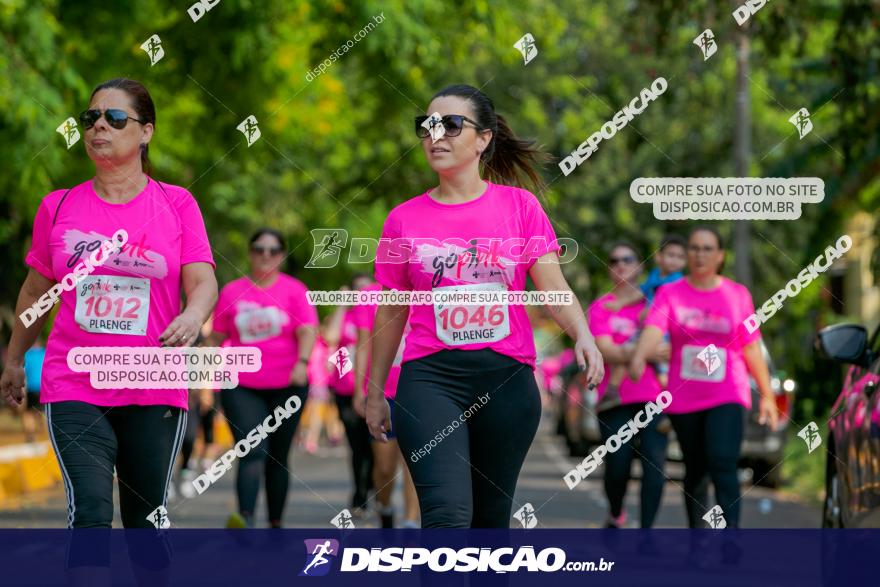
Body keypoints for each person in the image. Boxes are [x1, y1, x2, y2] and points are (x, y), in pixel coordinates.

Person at [364, 84, 604, 528]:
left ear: (483, 138)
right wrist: (376, 391)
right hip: (431, 379)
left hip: (505, 382)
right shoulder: (403, 219)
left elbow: (553, 287)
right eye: (427, 126)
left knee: (490, 522)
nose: (436, 135)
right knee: (447, 515)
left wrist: (583, 334)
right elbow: (391, 310)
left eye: (450, 125)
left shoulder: (520, 207)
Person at [0, 78, 217, 533]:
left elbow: (203, 282)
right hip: (75, 381)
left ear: (145, 132)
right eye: (91, 118)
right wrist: (16, 359)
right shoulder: (58, 207)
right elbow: (35, 293)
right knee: (92, 513)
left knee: (145, 525)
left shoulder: (177, 204)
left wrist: (193, 315)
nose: (99, 126)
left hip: (152, 384)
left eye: (115, 118)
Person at [629, 226, 779, 528]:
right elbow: (653, 331)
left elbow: (751, 347)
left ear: (720, 256)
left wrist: (767, 395)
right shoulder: (670, 293)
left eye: (707, 248)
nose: (700, 254)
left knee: (723, 463)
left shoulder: (737, 295)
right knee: (695, 469)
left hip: (728, 391)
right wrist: (638, 356)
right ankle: (697, 540)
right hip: (685, 396)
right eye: (694, 248)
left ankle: (731, 536)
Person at [208, 228, 317, 528]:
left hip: (288, 385)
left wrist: (303, 362)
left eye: (272, 250)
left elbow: (307, 330)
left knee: (278, 457)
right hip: (242, 385)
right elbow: (216, 337)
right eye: (259, 249)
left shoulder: (295, 291)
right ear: (250, 253)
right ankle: (244, 520)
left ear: (281, 255)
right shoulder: (232, 292)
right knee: (251, 449)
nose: (265, 255)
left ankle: (276, 523)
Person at [588, 242, 669, 528]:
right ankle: (616, 512)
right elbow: (605, 350)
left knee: (654, 468)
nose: (620, 264)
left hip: (655, 398)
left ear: (640, 266)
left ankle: (647, 532)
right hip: (614, 399)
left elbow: (670, 348)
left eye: (627, 259)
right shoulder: (601, 307)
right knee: (617, 467)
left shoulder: (658, 302)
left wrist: (631, 351)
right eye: (614, 260)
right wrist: (645, 351)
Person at [351, 280, 420, 528]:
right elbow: (363, 345)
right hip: (383, 392)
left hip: (419, 388)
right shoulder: (368, 296)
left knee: (416, 460)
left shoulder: (427, 289)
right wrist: (361, 389)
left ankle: (411, 522)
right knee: (384, 466)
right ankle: (386, 506)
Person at [326, 277, 374, 518]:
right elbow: (331, 337)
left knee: (375, 446)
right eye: (357, 290)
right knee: (358, 447)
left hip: (375, 390)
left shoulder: (380, 314)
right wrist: (341, 305)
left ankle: (373, 486)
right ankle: (360, 495)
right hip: (345, 390)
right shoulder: (346, 318)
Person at [22, 338, 47, 442]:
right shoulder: (46, 353)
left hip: (32, 388)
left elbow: (23, 373)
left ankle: (31, 436)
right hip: (45, 388)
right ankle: (47, 435)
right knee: (44, 411)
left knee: (28, 413)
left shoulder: (27, 355)